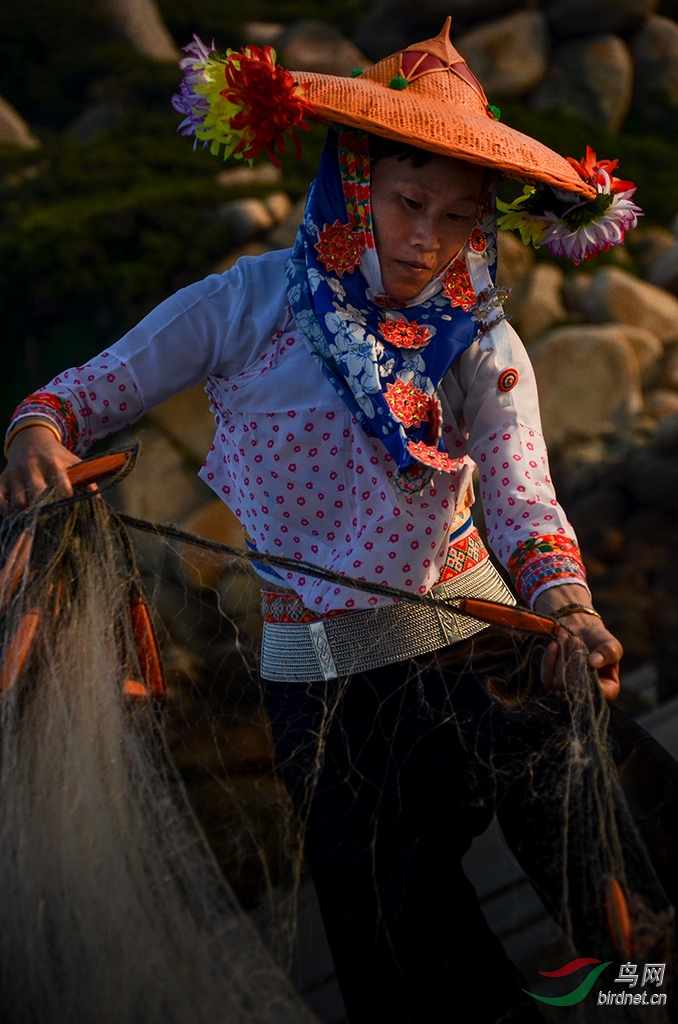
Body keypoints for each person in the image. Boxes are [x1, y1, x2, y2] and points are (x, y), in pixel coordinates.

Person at [0, 20, 659, 1024]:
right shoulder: (246, 303)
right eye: (406, 202)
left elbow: (525, 494)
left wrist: (568, 602)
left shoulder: (482, 334)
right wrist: (34, 436)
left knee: (621, 878)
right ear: (354, 179)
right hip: (324, 699)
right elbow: (76, 397)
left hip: (489, 649)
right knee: (407, 966)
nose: (427, 239)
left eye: (455, 215)